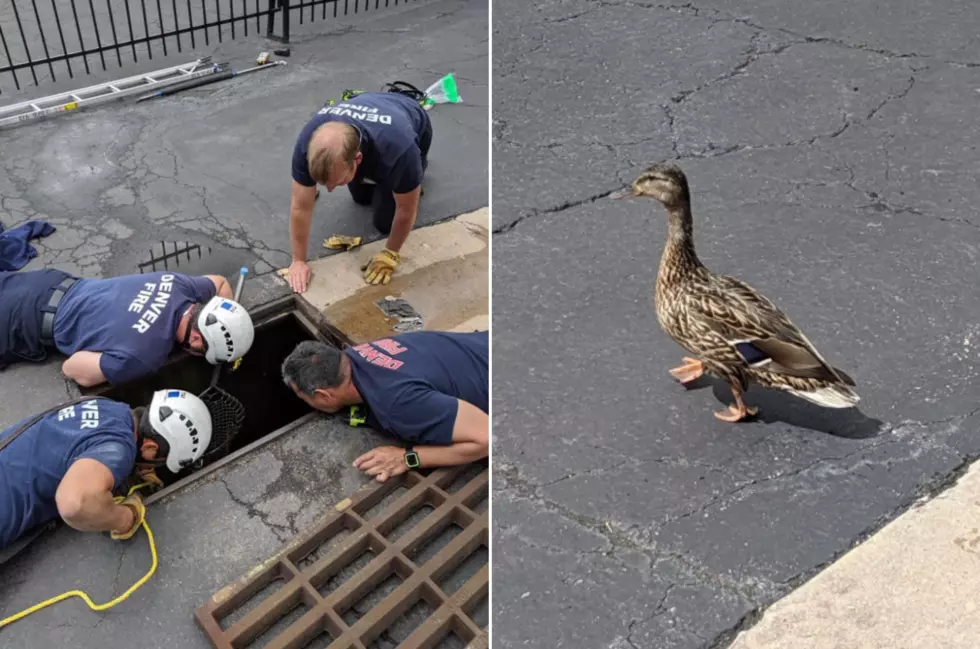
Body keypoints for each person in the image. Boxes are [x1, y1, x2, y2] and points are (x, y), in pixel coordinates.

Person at [0, 389, 212, 552]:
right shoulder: (117, 448)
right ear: (150, 448)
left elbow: (86, 443)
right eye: (159, 462)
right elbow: (75, 503)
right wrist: (125, 517)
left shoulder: (108, 407)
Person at [281, 330, 488, 482]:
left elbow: (487, 439)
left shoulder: (397, 403)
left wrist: (408, 458)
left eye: (303, 397)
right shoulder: (362, 352)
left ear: (323, 395)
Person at [0, 268, 255, 387]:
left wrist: (224, 320)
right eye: (202, 352)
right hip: (19, 322)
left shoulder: (179, 285)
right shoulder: (144, 357)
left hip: (48, 281)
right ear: (197, 339)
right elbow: (72, 368)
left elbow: (219, 282)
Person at [285, 89, 433, 292]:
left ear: (358, 160)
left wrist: (391, 253)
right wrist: (298, 260)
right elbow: (300, 207)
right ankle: (379, 183)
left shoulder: (399, 151)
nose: (329, 190)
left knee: (385, 223)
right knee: (361, 198)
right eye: (325, 184)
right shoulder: (308, 143)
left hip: (412, 120)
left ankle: (412, 181)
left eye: (336, 183)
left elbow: (406, 210)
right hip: (370, 118)